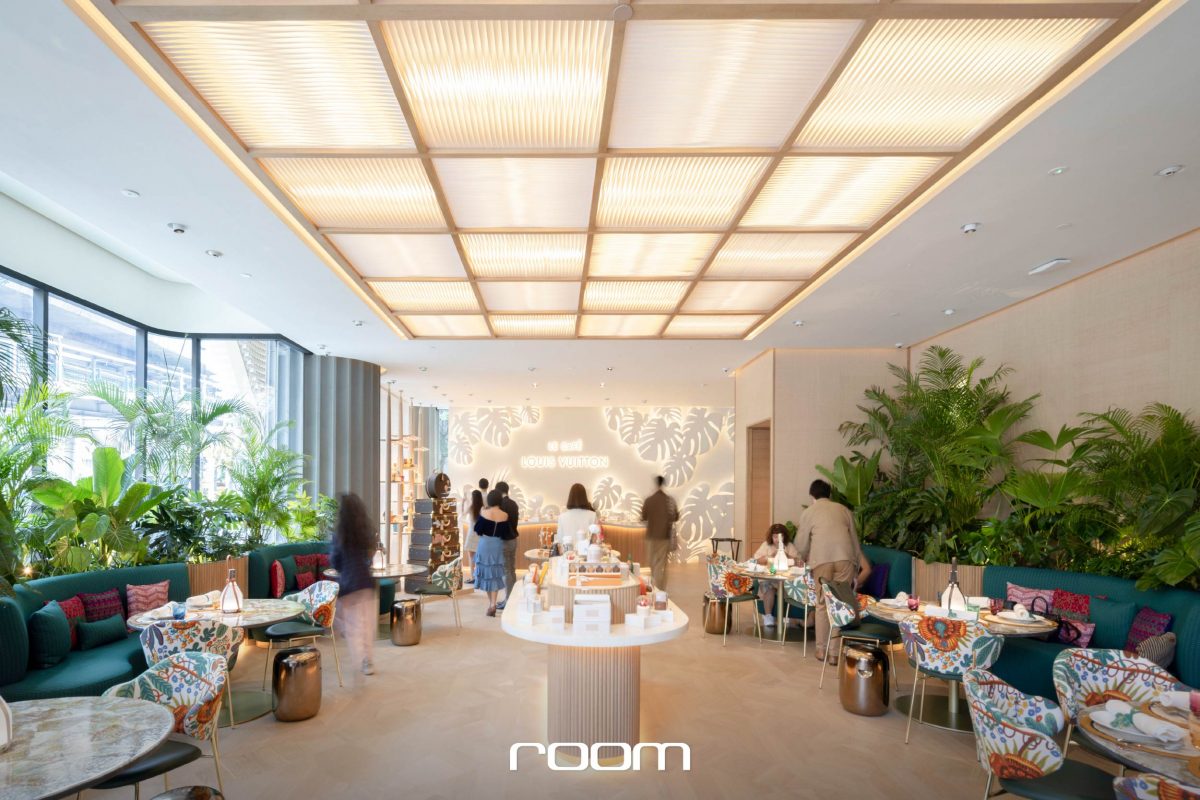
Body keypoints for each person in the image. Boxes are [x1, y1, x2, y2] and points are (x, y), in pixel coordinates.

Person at [794, 479, 870, 665]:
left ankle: (821, 650)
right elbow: (854, 541)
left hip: (822, 560)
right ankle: (834, 654)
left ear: (812, 495)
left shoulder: (809, 512)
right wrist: (855, 566)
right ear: (829, 494)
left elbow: (801, 543)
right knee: (839, 604)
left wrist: (800, 558)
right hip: (845, 560)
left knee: (822, 604)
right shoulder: (844, 510)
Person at [329, 493, 377, 678]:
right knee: (367, 626)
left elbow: (335, 561)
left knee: (353, 627)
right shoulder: (364, 533)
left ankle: (359, 661)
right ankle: (367, 660)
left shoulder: (339, 536)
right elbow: (369, 556)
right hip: (366, 583)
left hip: (349, 586)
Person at [752, 523, 802, 628]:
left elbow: (799, 561)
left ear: (784, 536)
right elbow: (756, 560)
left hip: (786, 578)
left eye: (780, 536)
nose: (777, 539)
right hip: (769, 576)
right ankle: (768, 616)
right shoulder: (766, 545)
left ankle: (786, 616)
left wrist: (787, 555)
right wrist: (770, 556)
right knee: (768, 587)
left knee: (788, 587)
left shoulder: (789, 546)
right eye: (775, 537)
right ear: (771, 537)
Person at [473, 489, 509, 616]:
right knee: (494, 575)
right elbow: (505, 533)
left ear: (489, 500)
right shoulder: (505, 515)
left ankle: (492, 604)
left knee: (487, 574)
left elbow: (477, 530)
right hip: (497, 545)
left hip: (485, 544)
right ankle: (493, 604)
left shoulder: (484, 512)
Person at [641, 475, 679, 590]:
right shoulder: (669, 500)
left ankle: (654, 587)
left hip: (651, 536)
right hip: (664, 536)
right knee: (661, 564)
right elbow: (675, 517)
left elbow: (643, 517)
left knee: (652, 564)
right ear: (663, 484)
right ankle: (660, 589)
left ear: (656, 483)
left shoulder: (649, 500)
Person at [494, 481, 520, 609]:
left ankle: (508, 600)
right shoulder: (514, 504)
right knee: (511, 569)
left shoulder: (500, 505)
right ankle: (512, 598)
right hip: (513, 540)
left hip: (504, 541)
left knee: (506, 571)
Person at [555, 483, 597, 549]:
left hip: (567, 553)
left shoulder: (562, 517)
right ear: (584, 497)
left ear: (570, 497)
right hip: (586, 553)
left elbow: (560, 539)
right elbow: (595, 540)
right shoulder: (592, 515)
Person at [461, 489, 483, 584]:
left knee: (471, 558)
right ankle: (479, 577)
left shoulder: (471, 507)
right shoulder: (483, 508)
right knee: (479, 557)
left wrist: (463, 502)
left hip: (471, 534)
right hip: (480, 535)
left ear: (473, 498)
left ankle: (473, 577)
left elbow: (462, 514)